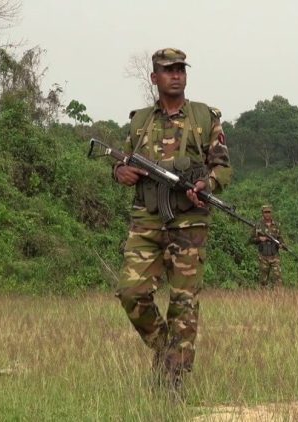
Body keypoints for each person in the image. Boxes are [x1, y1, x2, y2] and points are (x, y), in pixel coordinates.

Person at [112, 48, 231, 391]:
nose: (176, 74)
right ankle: (167, 349)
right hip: (147, 222)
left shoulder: (204, 118)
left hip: (189, 224)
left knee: (183, 305)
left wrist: (206, 183)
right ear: (155, 78)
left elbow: (223, 166)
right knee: (131, 293)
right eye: (168, 70)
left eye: (180, 69)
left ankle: (172, 387)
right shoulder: (140, 121)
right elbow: (122, 160)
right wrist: (120, 171)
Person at [250, 205, 284, 288]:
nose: (267, 214)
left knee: (278, 278)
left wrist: (281, 244)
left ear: (271, 213)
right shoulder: (258, 225)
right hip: (263, 256)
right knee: (263, 281)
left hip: (275, 256)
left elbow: (281, 238)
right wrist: (259, 239)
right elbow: (251, 239)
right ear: (262, 213)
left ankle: (279, 297)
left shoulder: (276, 225)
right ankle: (264, 299)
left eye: (269, 212)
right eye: (265, 212)